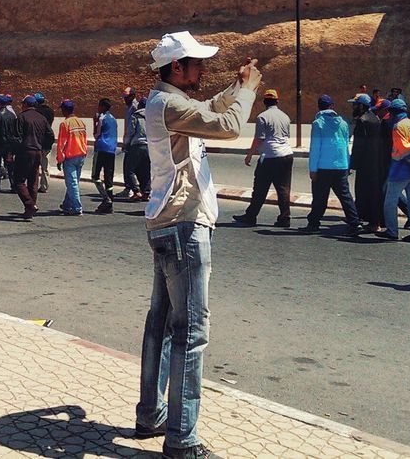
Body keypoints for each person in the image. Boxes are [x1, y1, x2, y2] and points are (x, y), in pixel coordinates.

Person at [135, 31, 260, 459]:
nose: (202, 70)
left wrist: (235, 87)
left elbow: (210, 110)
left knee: (161, 325)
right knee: (190, 334)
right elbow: (227, 125)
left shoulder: (167, 102)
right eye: (197, 64)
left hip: (166, 224)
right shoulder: (169, 105)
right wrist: (248, 90)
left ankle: (150, 413)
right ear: (176, 68)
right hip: (184, 227)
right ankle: (182, 439)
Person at [236, 89, 293, 227]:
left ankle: (251, 216)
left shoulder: (262, 117)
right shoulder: (285, 117)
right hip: (286, 155)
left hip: (270, 157)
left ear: (264, 102)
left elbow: (259, 139)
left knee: (260, 188)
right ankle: (285, 218)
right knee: (283, 189)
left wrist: (249, 154)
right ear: (277, 101)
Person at [306, 95, 361, 234]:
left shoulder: (318, 123)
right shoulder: (343, 123)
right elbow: (345, 145)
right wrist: (347, 164)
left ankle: (313, 223)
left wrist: (313, 169)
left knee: (320, 197)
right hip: (341, 166)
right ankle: (354, 223)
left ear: (319, 106)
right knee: (345, 196)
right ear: (332, 106)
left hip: (323, 167)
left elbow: (315, 148)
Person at [378, 97, 410, 242]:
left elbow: (405, 151)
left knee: (390, 201)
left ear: (393, 112)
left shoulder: (398, 127)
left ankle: (392, 231)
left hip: (401, 170)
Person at [348, 93, 384, 233]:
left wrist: (352, 165)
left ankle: (371, 223)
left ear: (361, 106)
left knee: (364, 193)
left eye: (355, 105)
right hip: (376, 162)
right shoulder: (375, 119)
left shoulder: (362, 121)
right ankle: (372, 221)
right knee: (373, 193)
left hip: (365, 164)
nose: (353, 107)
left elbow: (358, 146)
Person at [14, 95, 54, 219]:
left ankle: (29, 204)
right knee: (33, 180)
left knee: (19, 181)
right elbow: (51, 135)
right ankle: (30, 209)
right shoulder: (42, 118)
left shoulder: (21, 117)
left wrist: (13, 152)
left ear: (25, 105)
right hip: (37, 151)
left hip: (25, 151)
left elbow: (17, 137)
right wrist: (43, 148)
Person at [56, 99, 89, 215]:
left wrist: (59, 159)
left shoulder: (65, 124)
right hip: (81, 155)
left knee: (72, 183)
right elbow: (85, 140)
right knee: (74, 182)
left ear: (64, 110)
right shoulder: (81, 122)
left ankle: (77, 208)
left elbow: (61, 143)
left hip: (70, 157)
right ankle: (67, 204)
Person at [92, 98, 119, 214]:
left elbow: (96, 134)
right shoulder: (114, 119)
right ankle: (110, 203)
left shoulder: (102, 118)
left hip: (101, 148)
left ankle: (106, 198)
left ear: (102, 106)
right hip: (112, 150)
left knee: (95, 176)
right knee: (109, 178)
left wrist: (95, 122)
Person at [123, 96, 151, 201]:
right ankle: (146, 193)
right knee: (146, 170)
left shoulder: (135, 116)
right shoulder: (152, 117)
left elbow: (131, 131)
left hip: (137, 145)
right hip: (149, 146)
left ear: (139, 105)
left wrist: (126, 143)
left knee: (129, 169)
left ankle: (136, 191)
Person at [0, 94, 19, 193]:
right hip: (10, 145)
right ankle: (14, 186)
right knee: (11, 166)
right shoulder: (12, 116)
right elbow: (15, 131)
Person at [34, 93, 55, 193]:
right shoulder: (50, 111)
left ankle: (33, 185)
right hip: (47, 141)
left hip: (37, 140)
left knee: (34, 166)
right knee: (45, 166)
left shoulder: (35, 112)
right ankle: (44, 186)